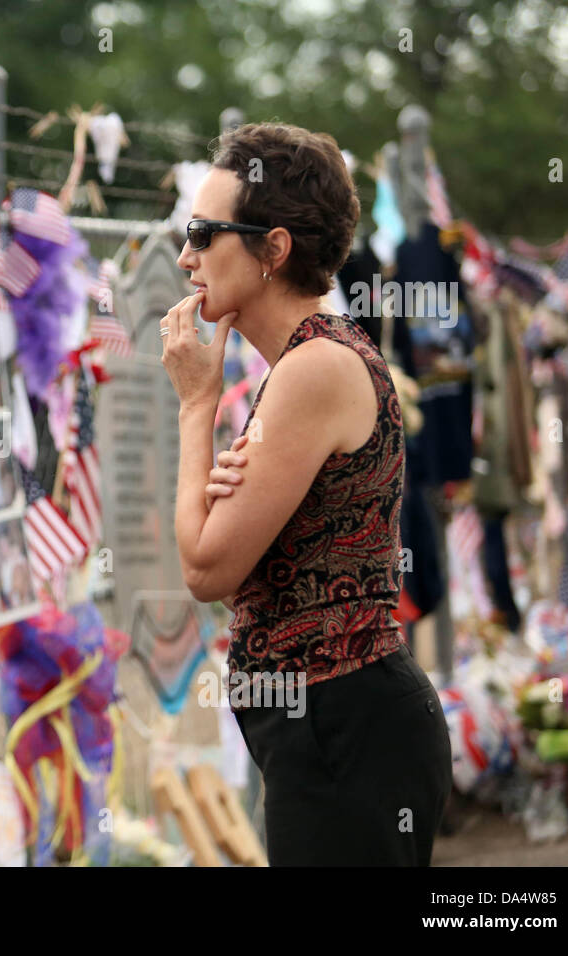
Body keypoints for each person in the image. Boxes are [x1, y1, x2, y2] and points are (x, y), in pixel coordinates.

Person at [160, 122, 452, 866]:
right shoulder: (306, 364)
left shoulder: (314, 368)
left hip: (346, 729)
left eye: (202, 232)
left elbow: (204, 569)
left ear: (274, 249)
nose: (186, 256)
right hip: (324, 730)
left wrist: (197, 406)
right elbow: (239, 565)